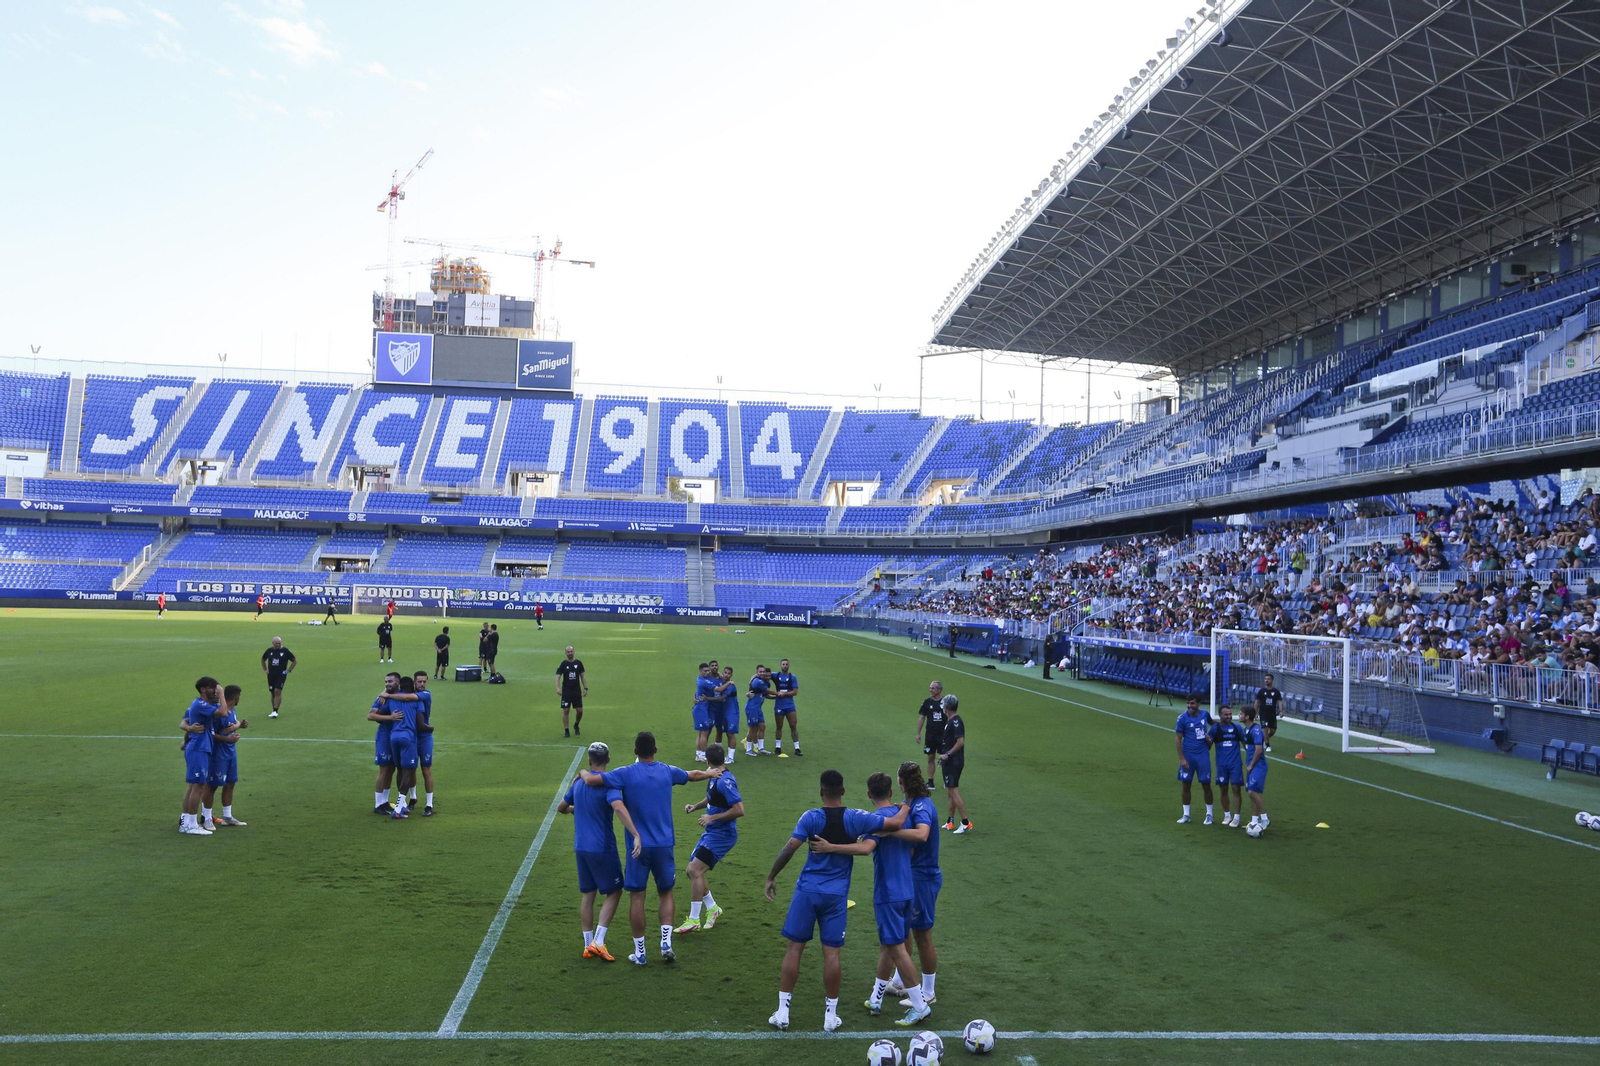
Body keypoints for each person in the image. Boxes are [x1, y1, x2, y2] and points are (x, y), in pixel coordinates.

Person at [763, 769, 907, 1032]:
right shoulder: (856, 818)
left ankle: (783, 1012)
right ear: (842, 791)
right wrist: (907, 803)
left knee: (794, 949)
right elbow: (895, 824)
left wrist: (772, 876)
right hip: (836, 896)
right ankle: (830, 1016)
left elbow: (790, 848)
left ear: (821, 792)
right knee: (832, 956)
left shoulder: (811, 817)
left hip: (807, 892)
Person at [577, 731, 722, 967]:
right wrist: (709, 773)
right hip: (664, 845)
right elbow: (692, 775)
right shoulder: (667, 771)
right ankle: (666, 942)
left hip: (638, 848)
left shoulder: (624, 773)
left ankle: (640, 952)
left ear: (635, 752)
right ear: (655, 750)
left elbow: (592, 780)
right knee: (666, 893)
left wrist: (583, 772)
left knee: (637, 898)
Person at [807, 772, 932, 1026]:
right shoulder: (904, 817)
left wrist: (831, 847)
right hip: (908, 889)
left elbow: (865, 849)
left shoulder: (877, 821)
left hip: (888, 893)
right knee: (889, 943)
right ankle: (876, 997)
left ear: (868, 794)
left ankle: (920, 1006)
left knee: (896, 948)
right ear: (891, 793)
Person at [558, 741, 641, 962]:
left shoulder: (578, 784)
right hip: (602, 848)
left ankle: (587, 945)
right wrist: (635, 833)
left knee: (588, 895)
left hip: (580, 847)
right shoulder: (609, 784)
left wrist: (578, 809)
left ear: (589, 760)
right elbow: (618, 808)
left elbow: (561, 808)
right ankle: (599, 941)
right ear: (609, 759)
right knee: (614, 891)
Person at [675, 743, 744, 935]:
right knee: (693, 871)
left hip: (722, 836)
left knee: (694, 870)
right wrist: (695, 807)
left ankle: (694, 919)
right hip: (712, 833)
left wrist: (711, 817)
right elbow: (712, 798)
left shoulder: (725, 781)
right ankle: (713, 908)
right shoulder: (714, 776)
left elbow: (739, 810)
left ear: (707, 760)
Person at [888, 761, 939, 1010]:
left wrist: (890, 833)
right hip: (915, 876)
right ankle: (900, 981)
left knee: (922, 936)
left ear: (901, 782)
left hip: (923, 878)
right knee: (905, 929)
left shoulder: (921, 807)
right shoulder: (914, 804)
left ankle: (928, 991)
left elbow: (922, 835)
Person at [178, 676, 228, 836]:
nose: (216, 690)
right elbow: (223, 712)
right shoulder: (200, 704)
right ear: (203, 689)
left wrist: (188, 728)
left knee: (194, 785)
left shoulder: (204, 705)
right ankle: (191, 824)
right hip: (198, 748)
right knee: (198, 786)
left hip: (201, 747)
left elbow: (184, 721)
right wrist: (222, 694)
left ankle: (186, 822)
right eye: (214, 687)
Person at [202, 683, 249, 829]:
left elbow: (232, 724)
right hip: (218, 754)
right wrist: (228, 738)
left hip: (230, 753)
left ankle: (227, 816)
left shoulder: (232, 710)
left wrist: (239, 726)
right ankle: (206, 818)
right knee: (212, 786)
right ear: (235, 697)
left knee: (230, 783)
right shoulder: (218, 713)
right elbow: (211, 734)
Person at [386, 675, 422, 818]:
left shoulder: (391, 699)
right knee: (409, 771)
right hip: (408, 738)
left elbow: (379, 711)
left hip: (393, 737)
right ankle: (399, 808)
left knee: (400, 769)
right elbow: (420, 723)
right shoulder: (416, 700)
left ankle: (404, 805)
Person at [1175, 695, 1215, 825]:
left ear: (1198, 704)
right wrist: (1182, 759)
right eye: (1188, 703)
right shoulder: (1182, 719)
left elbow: (1213, 725)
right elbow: (1178, 739)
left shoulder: (1205, 715)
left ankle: (1209, 814)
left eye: (1192, 703)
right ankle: (1186, 814)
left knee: (1206, 785)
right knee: (1186, 785)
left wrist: (1211, 739)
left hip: (1202, 756)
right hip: (1188, 756)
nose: (1189, 706)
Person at [369, 672, 404, 814]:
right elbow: (370, 715)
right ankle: (378, 804)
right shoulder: (382, 698)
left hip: (395, 737)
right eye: (386, 682)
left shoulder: (401, 695)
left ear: (398, 683)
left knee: (391, 769)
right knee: (383, 770)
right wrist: (391, 717)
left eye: (390, 681)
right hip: (384, 737)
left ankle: (385, 801)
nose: (387, 684)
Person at [936, 694, 970, 833]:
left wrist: (947, 754)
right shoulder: (951, 720)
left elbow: (960, 742)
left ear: (948, 707)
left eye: (944, 704)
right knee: (950, 790)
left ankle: (966, 822)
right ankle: (950, 821)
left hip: (954, 761)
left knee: (954, 791)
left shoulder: (956, 721)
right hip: (949, 761)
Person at [1209, 703, 1246, 828]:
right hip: (1221, 765)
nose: (1229, 716)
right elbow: (1208, 746)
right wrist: (1206, 741)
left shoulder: (1237, 728)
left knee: (1236, 789)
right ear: (1220, 715)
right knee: (1223, 789)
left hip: (1235, 764)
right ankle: (1227, 815)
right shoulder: (1215, 729)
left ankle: (1237, 817)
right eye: (1226, 715)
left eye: (1230, 714)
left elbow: (1245, 744)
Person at [407, 671, 436, 815]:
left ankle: (429, 805)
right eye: (419, 682)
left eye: (424, 681)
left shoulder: (426, 694)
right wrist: (383, 693)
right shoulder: (408, 693)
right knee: (411, 769)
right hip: (411, 736)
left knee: (426, 770)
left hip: (424, 737)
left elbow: (408, 696)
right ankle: (413, 798)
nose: (422, 684)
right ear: (414, 682)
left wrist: (386, 695)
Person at [1242, 705, 1271, 836]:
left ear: (1247, 716)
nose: (1240, 715)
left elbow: (1259, 750)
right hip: (1251, 765)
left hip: (1258, 765)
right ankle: (1254, 820)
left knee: (1252, 791)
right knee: (1250, 792)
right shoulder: (1246, 730)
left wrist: (1251, 765)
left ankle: (1264, 818)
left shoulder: (1256, 730)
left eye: (1241, 713)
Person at [915, 681, 945, 783]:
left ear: (939, 690)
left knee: (945, 758)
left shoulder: (946, 702)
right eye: (930, 688)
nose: (930, 690)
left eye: (933, 688)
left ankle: (947, 781)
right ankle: (930, 781)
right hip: (931, 735)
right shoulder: (927, 702)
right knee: (930, 758)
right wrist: (918, 733)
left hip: (943, 735)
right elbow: (922, 718)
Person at [771, 658, 801, 757]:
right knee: (779, 726)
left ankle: (797, 748)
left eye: (786, 664)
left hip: (789, 705)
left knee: (793, 725)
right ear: (780, 666)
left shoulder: (793, 677)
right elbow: (763, 674)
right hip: (779, 705)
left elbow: (795, 692)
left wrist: (784, 694)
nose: (785, 666)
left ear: (789, 666)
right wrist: (753, 678)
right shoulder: (776, 675)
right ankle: (778, 747)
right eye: (783, 664)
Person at [260, 637, 296, 719]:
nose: (278, 645)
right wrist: (265, 669)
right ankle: (273, 710)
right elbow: (263, 659)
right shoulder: (269, 651)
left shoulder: (285, 651)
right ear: (273, 643)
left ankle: (276, 710)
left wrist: (289, 670)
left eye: (279, 643)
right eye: (276, 643)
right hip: (271, 674)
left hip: (281, 674)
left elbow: (294, 660)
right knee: (272, 692)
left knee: (277, 691)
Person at [557, 646, 587, 737]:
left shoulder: (578, 663)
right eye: (568, 652)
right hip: (566, 691)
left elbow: (582, 676)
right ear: (565, 653)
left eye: (571, 651)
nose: (570, 653)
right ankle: (566, 731)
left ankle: (576, 724)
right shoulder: (563, 664)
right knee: (566, 710)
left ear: (574, 652)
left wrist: (585, 688)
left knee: (580, 711)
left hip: (576, 691)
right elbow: (558, 676)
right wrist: (558, 688)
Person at [743, 664, 771, 757]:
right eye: (761, 672)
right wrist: (779, 694)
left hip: (758, 708)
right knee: (753, 729)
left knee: (762, 726)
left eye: (764, 672)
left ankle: (761, 748)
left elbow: (765, 695)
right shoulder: (757, 681)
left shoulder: (765, 682)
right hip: (752, 708)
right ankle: (748, 749)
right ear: (757, 672)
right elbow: (768, 692)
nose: (763, 674)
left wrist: (776, 697)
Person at [691, 662, 717, 762]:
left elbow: (696, 692)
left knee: (701, 733)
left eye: (708, 670)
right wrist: (729, 683)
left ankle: (699, 754)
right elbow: (718, 688)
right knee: (704, 732)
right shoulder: (704, 681)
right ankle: (702, 754)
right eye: (705, 671)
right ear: (700, 671)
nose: (707, 672)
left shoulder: (700, 678)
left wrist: (695, 697)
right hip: (702, 709)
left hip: (702, 708)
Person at [713, 664, 737, 764]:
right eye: (725, 673)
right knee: (719, 731)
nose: (726, 675)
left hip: (731, 712)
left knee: (730, 733)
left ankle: (731, 757)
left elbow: (721, 698)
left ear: (731, 675)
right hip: (721, 711)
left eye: (728, 673)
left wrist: (707, 699)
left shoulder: (730, 686)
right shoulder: (722, 683)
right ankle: (718, 754)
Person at [1255, 672, 1282, 752]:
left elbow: (1280, 701)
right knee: (1265, 729)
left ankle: (1262, 739)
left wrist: (1281, 711)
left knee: (1273, 731)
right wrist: (1255, 713)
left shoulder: (1276, 691)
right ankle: (1267, 745)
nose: (1266, 680)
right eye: (1265, 679)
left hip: (1272, 714)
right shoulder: (1262, 691)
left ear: (1272, 680)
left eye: (1268, 679)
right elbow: (1257, 702)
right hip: (1263, 713)